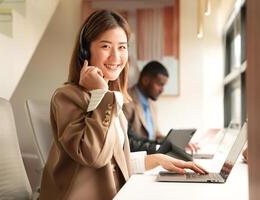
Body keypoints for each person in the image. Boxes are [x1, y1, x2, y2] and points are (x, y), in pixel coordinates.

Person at [39, 10, 207, 200]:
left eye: (122, 47)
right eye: (105, 46)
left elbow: (116, 161)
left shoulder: (112, 99)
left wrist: (159, 159)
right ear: (85, 51)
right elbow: (94, 157)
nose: (116, 57)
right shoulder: (67, 97)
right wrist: (101, 94)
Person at [123, 61, 199, 153]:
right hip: (139, 156)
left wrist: (177, 143)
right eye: (160, 84)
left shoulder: (152, 103)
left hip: (154, 153)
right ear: (145, 80)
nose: (162, 90)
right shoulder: (125, 101)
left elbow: (156, 135)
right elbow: (127, 141)